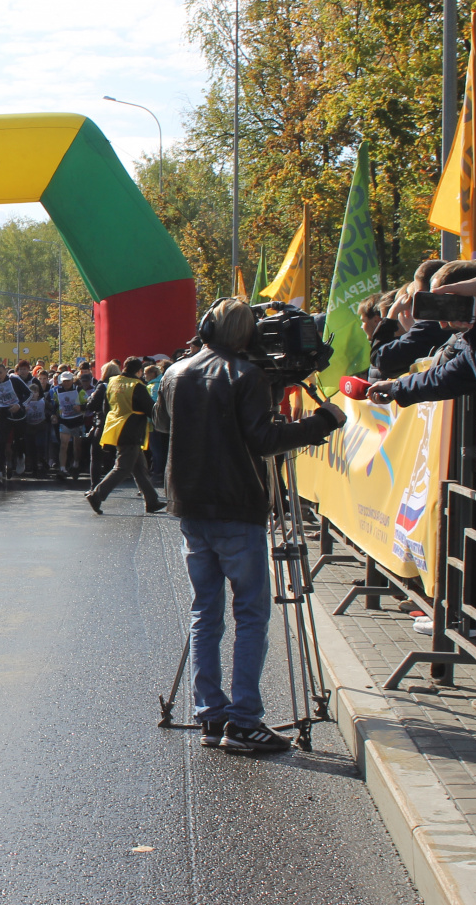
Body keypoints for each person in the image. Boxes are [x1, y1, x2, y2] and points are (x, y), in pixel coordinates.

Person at [155, 298, 346, 754]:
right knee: (252, 616)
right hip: (236, 509)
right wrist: (323, 421)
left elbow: (163, 426)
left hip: (191, 509)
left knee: (206, 614)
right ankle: (243, 720)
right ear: (249, 335)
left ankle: (210, 714)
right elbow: (264, 439)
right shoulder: (248, 376)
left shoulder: (175, 373)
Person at [369, 270, 476, 407]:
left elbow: (383, 358)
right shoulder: (473, 345)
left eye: (441, 299)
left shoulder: (473, 340)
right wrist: (396, 387)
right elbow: (443, 378)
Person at [84, 357, 163, 514]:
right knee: (122, 468)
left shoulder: (112, 382)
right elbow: (149, 408)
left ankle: (152, 500)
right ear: (138, 371)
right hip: (132, 430)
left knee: (139, 468)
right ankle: (97, 495)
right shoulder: (137, 386)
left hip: (116, 426)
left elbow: (106, 407)